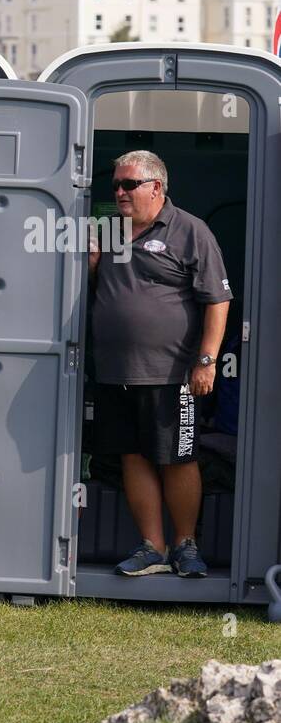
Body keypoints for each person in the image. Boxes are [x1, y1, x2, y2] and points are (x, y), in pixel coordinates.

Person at [89, 150, 231, 578]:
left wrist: (205, 360)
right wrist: (93, 267)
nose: (119, 192)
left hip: (172, 373)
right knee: (133, 456)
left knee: (178, 458)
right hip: (116, 372)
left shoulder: (190, 230)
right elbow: (101, 288)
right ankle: (152, 546)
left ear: (156, 187)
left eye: (128, 184)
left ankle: (186, 546)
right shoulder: (109, 230)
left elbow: (218, 300)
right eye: (116, 185)